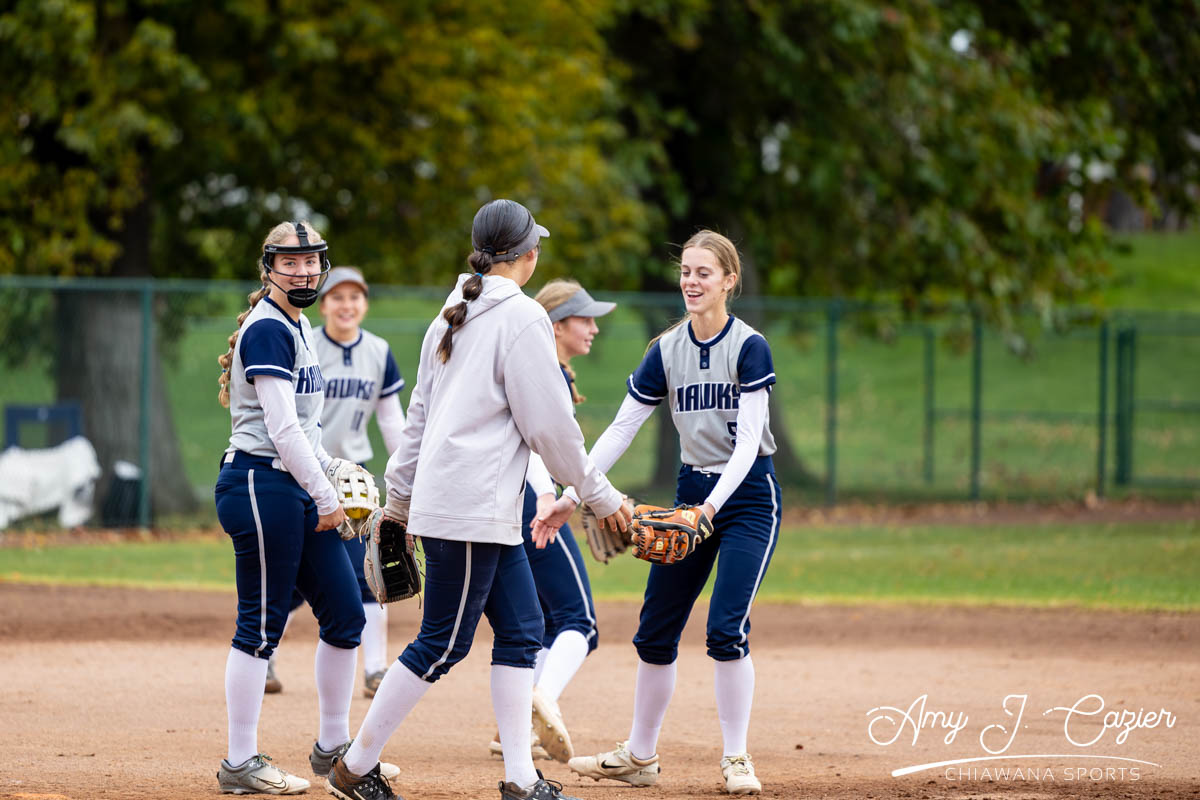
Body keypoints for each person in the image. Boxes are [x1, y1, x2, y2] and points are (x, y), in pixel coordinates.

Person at [324, 199, 632, 800]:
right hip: (469, 508)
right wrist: (601, 495)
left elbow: (418, 418)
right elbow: (552, 429)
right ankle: (354, 768)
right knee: (442, 643)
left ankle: (521, 779)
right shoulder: (521, 317)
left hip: (479, 509)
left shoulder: (451, 313)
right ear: (528, 255)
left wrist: (399, 501)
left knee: (522, 631)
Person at [549, 230, 781, 796]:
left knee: (726, 628)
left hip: (747, 497)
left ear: (729, 281)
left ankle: (736, 757)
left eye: (704, 272)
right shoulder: (667, 349)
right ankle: (640, 756)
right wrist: (574, 494)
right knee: (655, 632)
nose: (691, 282)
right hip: (691, 491)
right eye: (685, 272)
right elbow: (621, 429)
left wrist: (708, 510)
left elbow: (748, 444)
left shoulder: (749, 346)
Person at [213, 221, 398, 794]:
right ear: (267, 267)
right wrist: (326, 496)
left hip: (292, 483)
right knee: (260, 625)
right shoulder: (270, 328)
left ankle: (332, 749)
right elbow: (281, 428)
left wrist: (335, 474)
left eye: (311, 261)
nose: (303, 271)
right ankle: (240, 762)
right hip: (259, 484)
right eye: (289, 262)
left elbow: (307, 431)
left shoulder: (296, 326)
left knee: (345, 615)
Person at [487, 280, 616, 763]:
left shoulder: (537, 368)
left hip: (509, 501)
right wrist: (564, 498)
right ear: (556, 326)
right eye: (584, 319)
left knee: (541, 625)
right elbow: (539, 446)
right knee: (580, 622)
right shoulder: (547, 374)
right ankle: (540, 700)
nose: (594, 328)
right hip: (533, 505)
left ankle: (515, 727)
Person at [265, 266, 406, 699]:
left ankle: (376, 669)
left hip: (354, 479)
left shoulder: (378, 351)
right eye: (337, 297)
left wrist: (407, 474)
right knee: (297, 576)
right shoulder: (305, 343)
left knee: (368, 570)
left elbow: (391, 421)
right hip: (305, 470)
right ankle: (265, 655)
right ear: (323, 304)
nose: (347, 305)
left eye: (355, 297)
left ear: (365, 304)